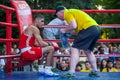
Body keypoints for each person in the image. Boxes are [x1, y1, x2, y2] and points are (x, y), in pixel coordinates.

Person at [55, 6, 101, 77]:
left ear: (61, 12)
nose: (58, 17)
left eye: (57, 15)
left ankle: (71, 72)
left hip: (88, 29)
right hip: (96, 29)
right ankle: (95, 71)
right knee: (88, 51)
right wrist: (68, 32)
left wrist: (64, 30)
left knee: (74, 48)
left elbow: (73, 26)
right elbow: (77, 30)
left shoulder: (67, 13)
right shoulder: (73, 12)